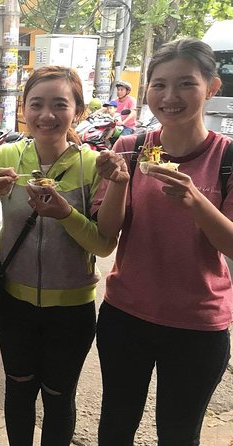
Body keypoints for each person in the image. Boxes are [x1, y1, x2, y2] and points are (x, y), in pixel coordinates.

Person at [0, 66, 117, 446]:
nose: (47, 115)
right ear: (24, 110)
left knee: (60, 397)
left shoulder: (93, 165)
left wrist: (65, 214)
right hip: (16, 304)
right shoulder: (7, 157)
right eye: (37, 104)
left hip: (73, 309)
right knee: (18, 390)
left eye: (59, 104)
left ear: (76, 110)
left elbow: (103, 244)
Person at [94, 38, 232, 445]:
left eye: (186, 84)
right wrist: (119, 183)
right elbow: (107, 233)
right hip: (125, 315)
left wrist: (195, 202)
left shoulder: (226, 159)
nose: (170, 97)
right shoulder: (131, 148)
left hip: (198, 325)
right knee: (115, 426)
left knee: (178, 433)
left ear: (212, 87)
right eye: (159, 85)